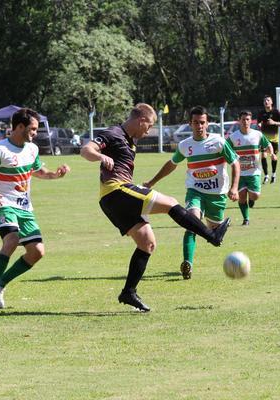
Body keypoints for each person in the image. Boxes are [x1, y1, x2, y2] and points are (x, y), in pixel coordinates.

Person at [80, 103, 231, 311]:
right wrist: (99, 156)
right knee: (171, 203)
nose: (149, 131)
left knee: (147, 243)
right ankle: (211, 236)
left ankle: (128, 292)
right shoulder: (113, 133)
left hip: (113, 201)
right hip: (116, 192)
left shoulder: (129, 142)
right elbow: (86, 149)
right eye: (149, 125)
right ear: (141, 119)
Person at [0, 108, 70, 309]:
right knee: (12, 239)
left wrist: (56, 174)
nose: (35, 133)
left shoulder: (31, 149)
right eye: (32, 129)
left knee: (37, 252)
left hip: (24, 207)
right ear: (19, 127)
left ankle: (0, 284)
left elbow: (39, 172)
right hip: (2, 204)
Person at [144, 106, 239, 280]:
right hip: (195, 191)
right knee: (192, 223)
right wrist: (152, 182)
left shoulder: (219, 142)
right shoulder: (185, 145)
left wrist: (234, 187)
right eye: (196, 122)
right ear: (190, 124)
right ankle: (187, 263)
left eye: (202, 122)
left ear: (207, 123)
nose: (199, 126)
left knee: (213, 230)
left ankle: (218, 230)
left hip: (217, 195)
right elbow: (172, 164)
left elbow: (235, 163)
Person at [226, 110, 276, 225]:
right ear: (239, 121)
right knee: (242, 197)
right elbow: (225, 148)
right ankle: (246, 219)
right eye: (243, 119)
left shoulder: (257, 135)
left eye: (247, 119)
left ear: (250, 121)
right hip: (240, 173)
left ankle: (252, 200)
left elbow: (268, 144)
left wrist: (272, 154)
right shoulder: (233, 137)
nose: (245, 122)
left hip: (254, 172)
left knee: (255, 195)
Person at [256, 95, 280, 184]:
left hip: (274, 139)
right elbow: (258, 123)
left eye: (268, 100)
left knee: (273, 157)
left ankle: (273, 174)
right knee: (263, 155)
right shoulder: (261, 113)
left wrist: (274, 122)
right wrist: (259, 125)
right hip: (264, 139)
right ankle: (266, 176)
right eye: (265, 100)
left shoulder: (276, 112)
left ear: (271, 102)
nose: (266, 102)